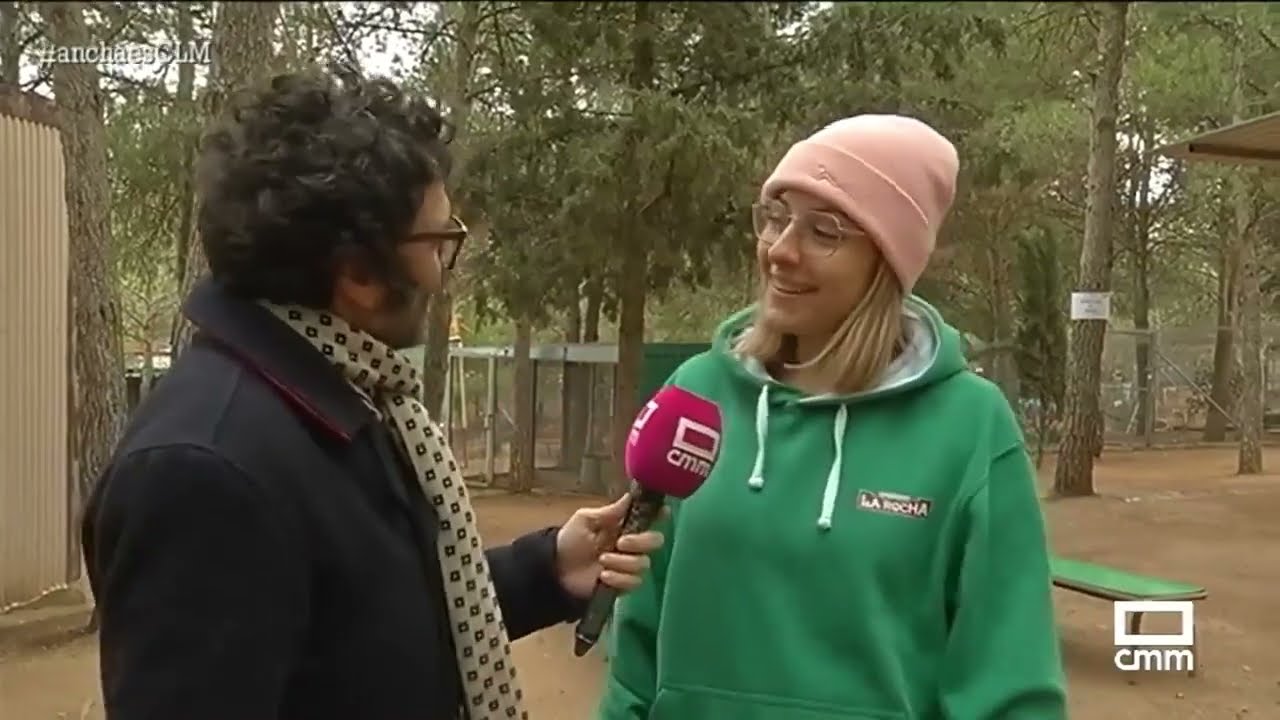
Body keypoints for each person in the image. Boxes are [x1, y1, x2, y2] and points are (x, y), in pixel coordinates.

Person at [82, 70, 664, 720]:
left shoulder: (345, 399)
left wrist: (546, 572)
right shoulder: (204, 474)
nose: (445, 270)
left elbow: (378, 630)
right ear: (358, 269)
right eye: (439, 241)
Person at [597, 115, 1067, 719]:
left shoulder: (971, 428)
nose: (780, 251)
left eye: (825, 232)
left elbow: (1012, 685)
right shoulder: (697, 396)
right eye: (775, 215)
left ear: (887, 261)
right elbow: (637, 642)